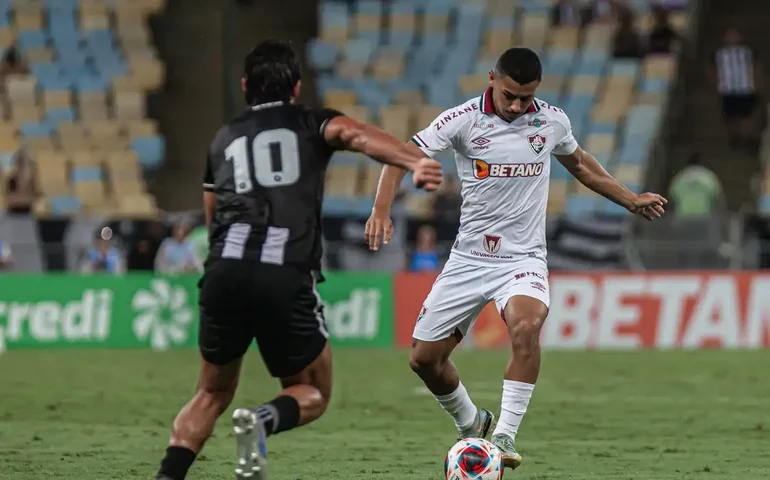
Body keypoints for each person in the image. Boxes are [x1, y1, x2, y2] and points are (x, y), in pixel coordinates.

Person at [365, 47, 667, 471]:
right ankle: (472, 422)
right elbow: (401, 156)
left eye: (526, 98)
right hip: (468, 260)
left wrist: (630, 199)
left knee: (526, 327)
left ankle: (504, 437)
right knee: (423, 360)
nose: (516, 105)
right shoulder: (462, 120)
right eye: (509, 95)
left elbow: (581, 165)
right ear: (492, 78)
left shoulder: (552, 120)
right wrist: (381, 209)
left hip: (522, 259)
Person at [153, 39, 442, 480]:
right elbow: (357, 135)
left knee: (210, 392)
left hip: (224, 272)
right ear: (298, 86)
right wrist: (414, 161)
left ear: (245, 85)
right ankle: (261, 421)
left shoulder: (223, 138)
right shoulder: (310, 121)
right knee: (312, 391)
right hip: (283, 271)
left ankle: (167, 475)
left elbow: (212, 221)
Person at [710, 28, 761, 150]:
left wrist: (756, 83)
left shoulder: (748, 52)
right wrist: (716, 84)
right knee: (731, 116)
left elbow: (755, 68)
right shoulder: (718, 54)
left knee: (747, 115)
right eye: (729, 35)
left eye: (735, 35)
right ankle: (735, 138)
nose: (732, 38)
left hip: (745, 89)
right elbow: (712, 71)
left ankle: (749, 138)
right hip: (728, 90)